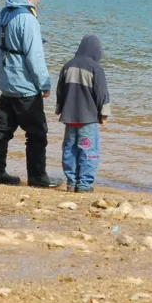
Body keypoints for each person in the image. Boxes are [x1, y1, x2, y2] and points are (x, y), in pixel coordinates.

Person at [0, 0, 57, 188]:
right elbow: (34, 56)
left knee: (2, 130)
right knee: (37, 133)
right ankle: (37, 177)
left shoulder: (3, 14)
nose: (39, 1)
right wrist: (44, 84)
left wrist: (1, 74)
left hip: (7, 84)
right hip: (25, 87)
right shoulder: (27, 18)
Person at [55, 35, 110, 194]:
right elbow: (102, 94)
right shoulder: (95, 68)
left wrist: (59, 108)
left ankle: (71, 182)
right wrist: (104, 115)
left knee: (69, 149)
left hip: (69, 118)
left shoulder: (67, 66)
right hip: (88, 119)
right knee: (88, 150)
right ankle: (85, 185)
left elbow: (60, 91)